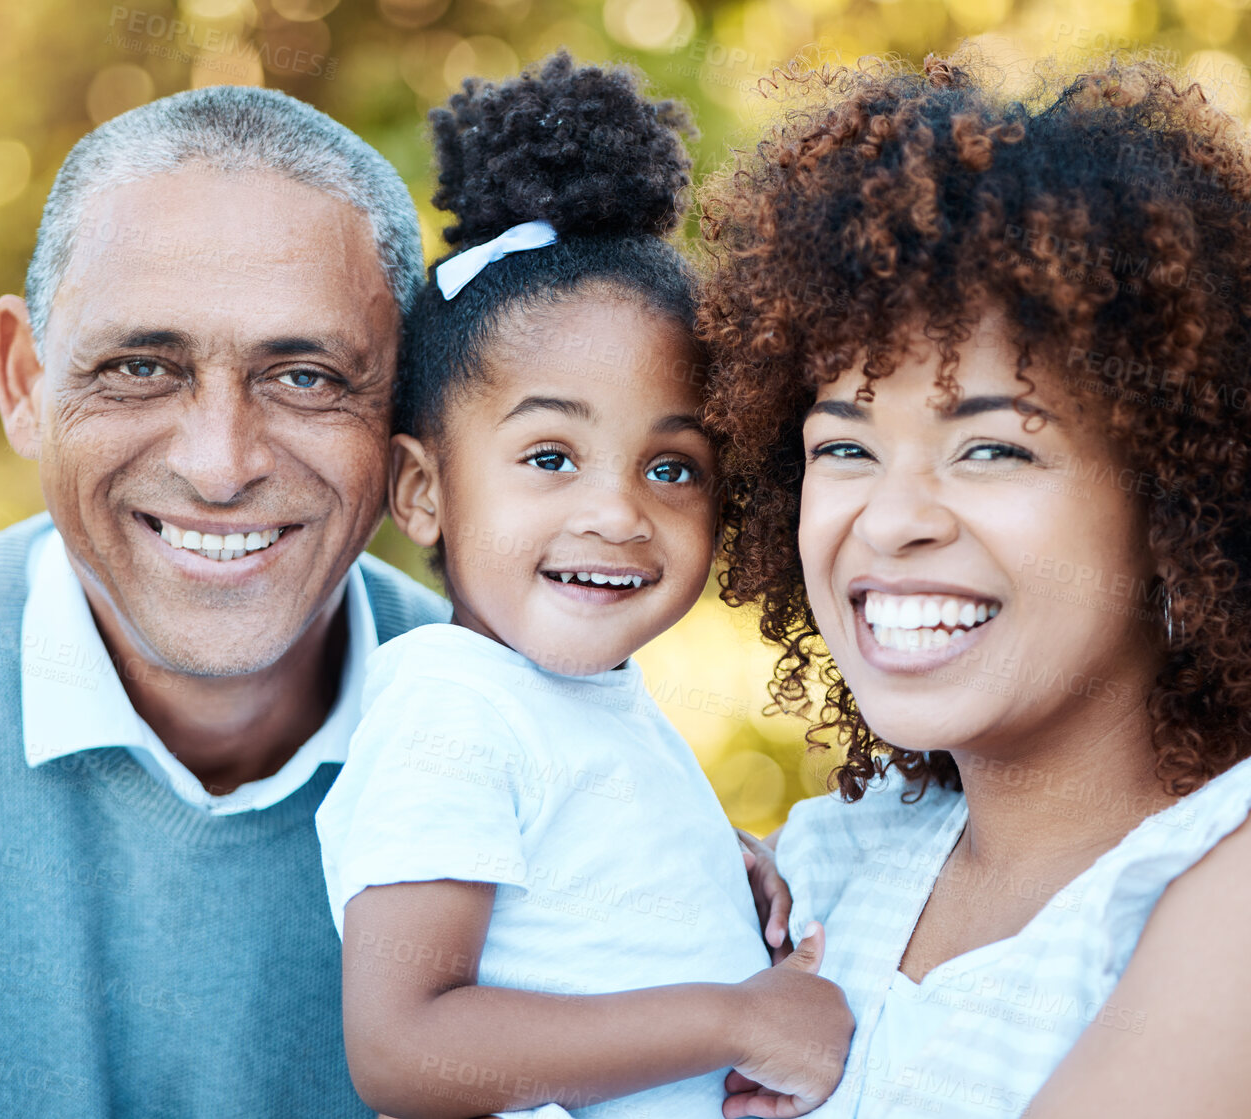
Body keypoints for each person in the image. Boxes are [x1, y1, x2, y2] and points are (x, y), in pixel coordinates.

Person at [699, 56, 1251, 1117]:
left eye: (991, 450)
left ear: (1181, 501)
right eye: (843, 450)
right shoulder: (820, 873)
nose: (890, 519)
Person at [0, 86, 449, 1116]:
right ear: (24, 381)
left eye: (307, 377)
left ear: (409, 405)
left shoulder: (563, 763)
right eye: (141, 367)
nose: (221, 465)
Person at [313, 53, 853, 1119]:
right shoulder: (448, 711)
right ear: (422, 493)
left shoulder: (572, 698)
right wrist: (735, 1018)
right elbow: (405, 1046)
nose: (618, 512)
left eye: (672, 467)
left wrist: (708, 864)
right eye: (550, 457)